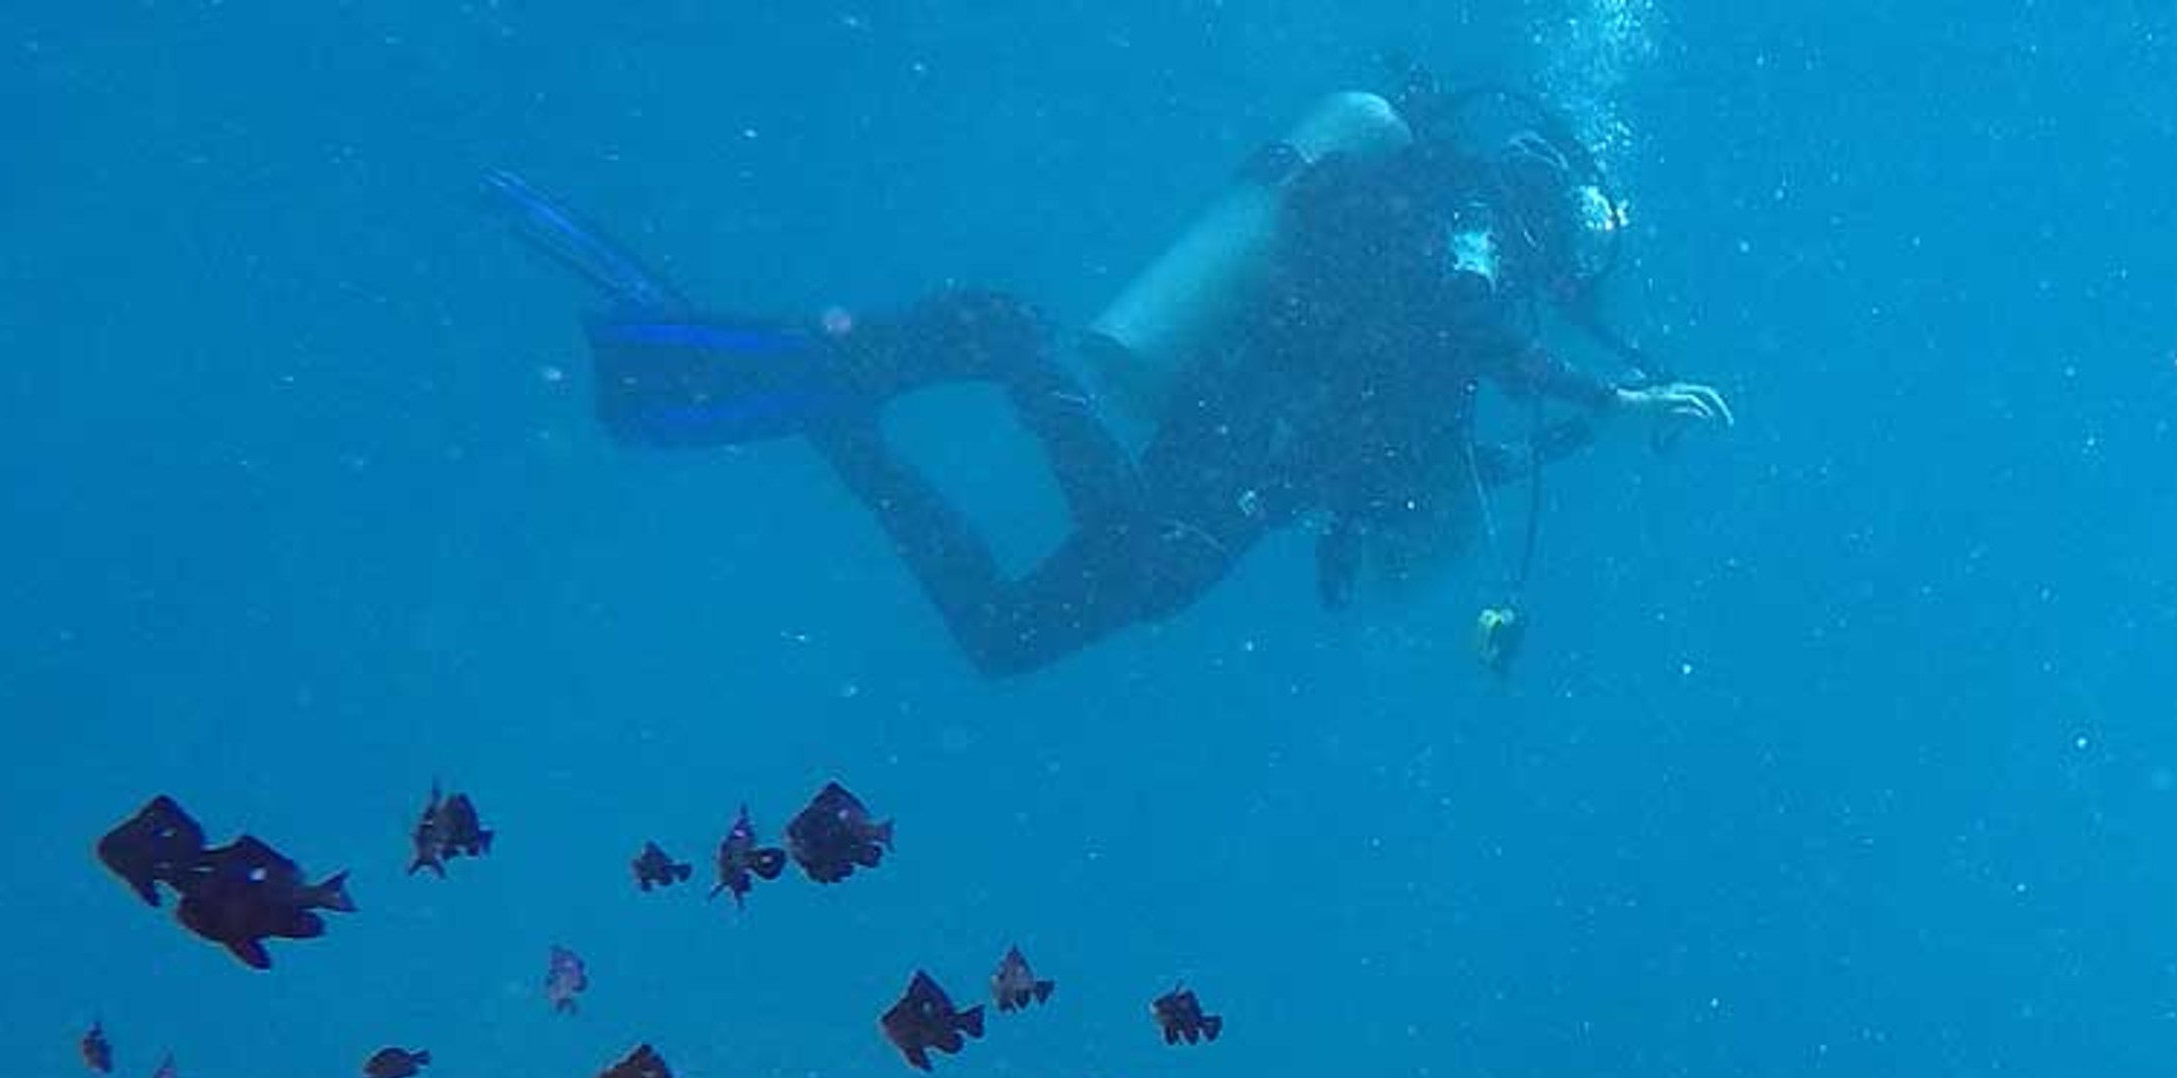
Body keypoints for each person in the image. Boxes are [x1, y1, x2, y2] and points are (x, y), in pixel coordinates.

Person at [494, 77, 1732, 677]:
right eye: (1578, 251)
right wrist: (1611, 403)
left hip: (1244, 461)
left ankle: (840, 422)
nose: (1567, 275)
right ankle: (1000, 339)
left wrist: (1540, 442)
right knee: (1130, 564)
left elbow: (1431, 417)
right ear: (1552, 220)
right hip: (1232, 461)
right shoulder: (1469, 242)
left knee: (1002, 641)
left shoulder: (1443, 254)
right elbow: (1463, 331)